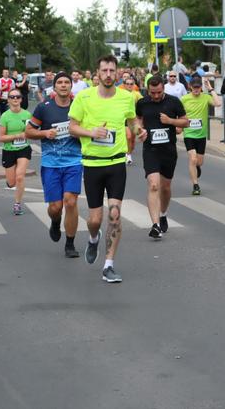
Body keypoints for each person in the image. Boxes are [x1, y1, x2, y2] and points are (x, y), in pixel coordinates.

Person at [68, 54, 145, 283]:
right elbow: (72, 127)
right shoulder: (84, 97)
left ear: (118, 72)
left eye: (112, 71)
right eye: (104, 71)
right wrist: (92, 132)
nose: (109, 75)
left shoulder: (126, 97)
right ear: (97, 73)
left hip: (116, 163)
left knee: (114, 215)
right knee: (94, 219)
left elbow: (131, 120)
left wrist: (139, 129)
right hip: (92, 163)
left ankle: (108, 265)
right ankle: (93, 238)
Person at [25, 72, 82, 258]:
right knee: (56, 207)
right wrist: (45, 134)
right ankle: (56, 222)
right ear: (54, 87)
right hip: (51, 163)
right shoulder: (44, 108)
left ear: (71, 86)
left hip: (74, 161)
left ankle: (70, 244)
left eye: (67, 82)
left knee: (71, 202)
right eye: (60, 82)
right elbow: (29, 131)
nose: (64, 85)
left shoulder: (79, 106)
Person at [136, 75, 188, 238]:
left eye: (158, 92)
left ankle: (163, 213)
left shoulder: (173, 102)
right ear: (148, 90)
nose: (156, 96)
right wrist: (140, 129)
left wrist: (170, 121)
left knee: (165, 188)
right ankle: (155, 225)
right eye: (152, 93)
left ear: (163, 88)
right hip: (150, 150)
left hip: (168, 151)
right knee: (153, 185)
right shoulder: (142, 102)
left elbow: (185, 122)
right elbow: (137, 119)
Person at [180, 77, 221, 195]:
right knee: (192, 159)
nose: (196, 89)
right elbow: (177, 112)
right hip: (189, 133)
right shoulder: (184, 99)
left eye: (198, 87)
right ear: (190, 87)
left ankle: (196, 167)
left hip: (201, 135)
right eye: (194, 87)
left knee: (199, 162)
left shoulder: (205, 97)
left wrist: (210, 89)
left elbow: (218, 103)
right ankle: (195, 185)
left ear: (201, 87)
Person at [0, 88, 32, 216]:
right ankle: (10, 181)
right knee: (12, 183)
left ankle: (17, 204)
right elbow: (1, 137)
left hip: (24, 149)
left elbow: (31, 132)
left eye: (18, 97)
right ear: (8, 100)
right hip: (9, 150)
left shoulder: (27, 115)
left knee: (20, 177)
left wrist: (29, 133)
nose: (15, 99)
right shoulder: (5, 116)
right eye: (12, 97)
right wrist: (17, 135)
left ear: (21, 99)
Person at [119, 75, 143, 165]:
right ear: (124, 85)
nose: (129, 85)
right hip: (124, 118)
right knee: (128, 136)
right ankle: (127, 154)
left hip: (133, 119)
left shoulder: (136, 94)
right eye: (127, 84)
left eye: (131, 84)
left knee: (132, 140)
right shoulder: (120, 93)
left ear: (133, 85)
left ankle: (129, 151)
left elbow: (143, 101)